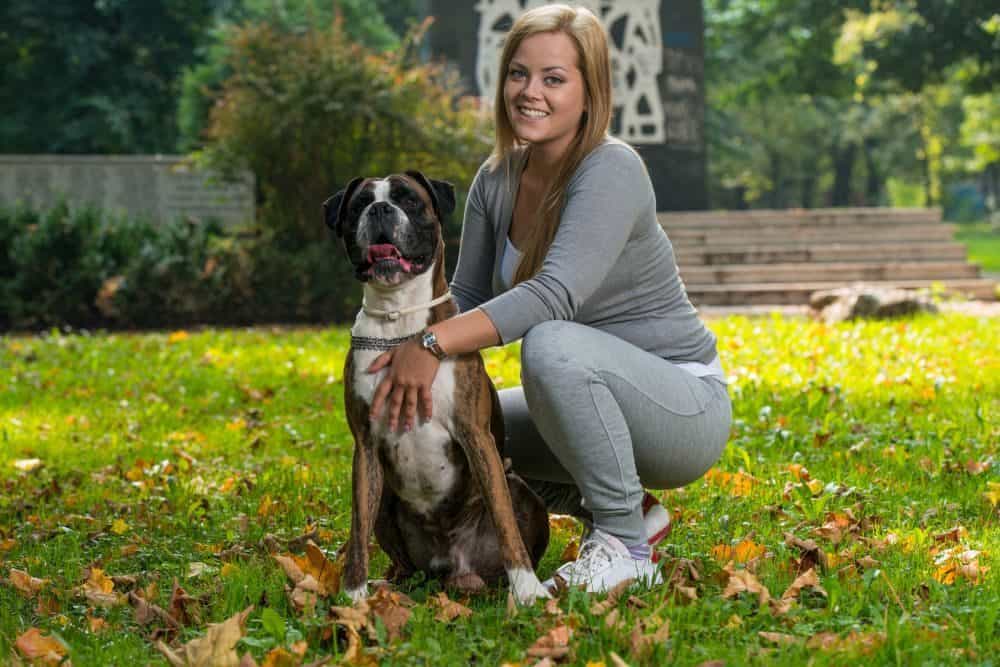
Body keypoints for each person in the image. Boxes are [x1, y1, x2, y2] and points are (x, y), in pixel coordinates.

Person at [367, 4, 731, 593]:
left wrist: (430, 344)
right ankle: (631, 509)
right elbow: (465, 295)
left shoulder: (613, 169)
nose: (529, 92)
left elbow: (553, 295)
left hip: (681, 404)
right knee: (462, 424)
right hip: (592, 394)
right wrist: (399, 346)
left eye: (553, 79)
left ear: (590, 93)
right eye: (518, 73)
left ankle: (626, 547)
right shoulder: (497, 179)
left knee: (550, 344)